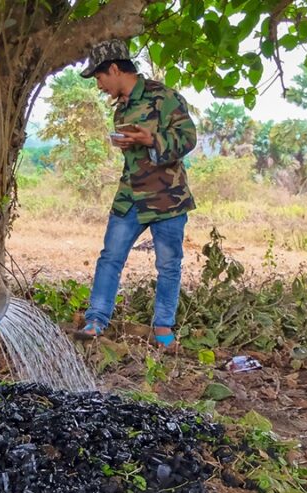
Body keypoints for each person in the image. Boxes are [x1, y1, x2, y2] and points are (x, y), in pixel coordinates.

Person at [73, 40, 197, 349]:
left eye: (100, 78)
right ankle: (96, 321)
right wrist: (130, 144)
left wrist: (152, 139)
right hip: (130, 196)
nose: (100, 86)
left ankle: (163, 329)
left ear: (114, 69)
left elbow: (188, 138)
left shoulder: (165, 97)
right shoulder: (121, 108)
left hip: (167, 198)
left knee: (169, 265)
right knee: (110, 258)